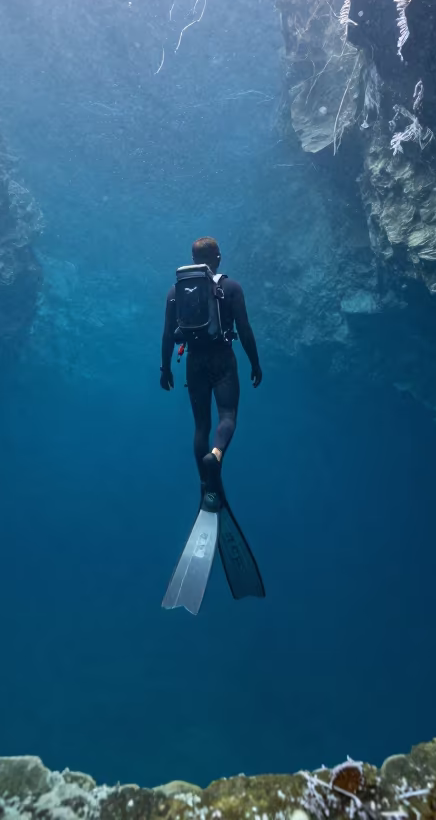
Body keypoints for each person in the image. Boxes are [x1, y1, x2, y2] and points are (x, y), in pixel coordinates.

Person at [159, 237, 265, 614]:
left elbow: (167, 332)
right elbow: (246, 330)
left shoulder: (176, 290)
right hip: (222, 358)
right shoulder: (231, 287)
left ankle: (206, 483)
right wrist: (254, 363)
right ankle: (217, 457)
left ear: (193, 259)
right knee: (227, 417)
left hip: (193, 363)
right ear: (217, 257)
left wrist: (164, 369)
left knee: (199, 425)